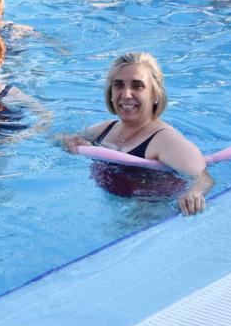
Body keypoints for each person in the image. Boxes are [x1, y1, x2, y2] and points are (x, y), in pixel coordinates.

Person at [62, 53, 213, 215]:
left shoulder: (165, 140)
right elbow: (59, 140)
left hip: (150, 215)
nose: (126, 95)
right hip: (113, 211)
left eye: (137, 86)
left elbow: (203, 178)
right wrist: (71, 142)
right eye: (118, 85)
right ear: (111, 93)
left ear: (155, 94)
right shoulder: (104, 130)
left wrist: (194, 193)